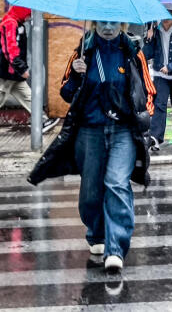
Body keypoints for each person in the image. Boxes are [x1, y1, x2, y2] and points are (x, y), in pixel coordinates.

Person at [29, 21, 157, 273]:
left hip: (122, 131)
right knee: (90, 191)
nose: (108, 27)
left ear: (121, 25)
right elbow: (66, 93)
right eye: (103, 22)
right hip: (90, 131)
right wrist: (76, 74)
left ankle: (116, 248)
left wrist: (144, 116)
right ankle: (96, 234)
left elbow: (147, 92)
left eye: (113, 23)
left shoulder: (132, 52)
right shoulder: (82, 51)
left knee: (117, 183)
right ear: (95, 23)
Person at [0, 6, 59, 132]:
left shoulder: (17, 23)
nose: (30, 17)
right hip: (6, 74)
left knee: (30, 97)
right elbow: (9, 50)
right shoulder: (9, 23)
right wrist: (21, 69)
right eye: (29, 13)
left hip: (14, 75)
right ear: (22, 11)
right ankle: (43, 121)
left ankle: (43, 121)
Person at [143, 14, 172, 151]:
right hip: (160, 76)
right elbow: (147, 53)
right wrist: (148, 39)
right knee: (159, 105)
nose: (165, 19)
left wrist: (171, 67)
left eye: (169, 16)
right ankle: (156, 138)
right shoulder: (156, 31)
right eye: (163, 15)